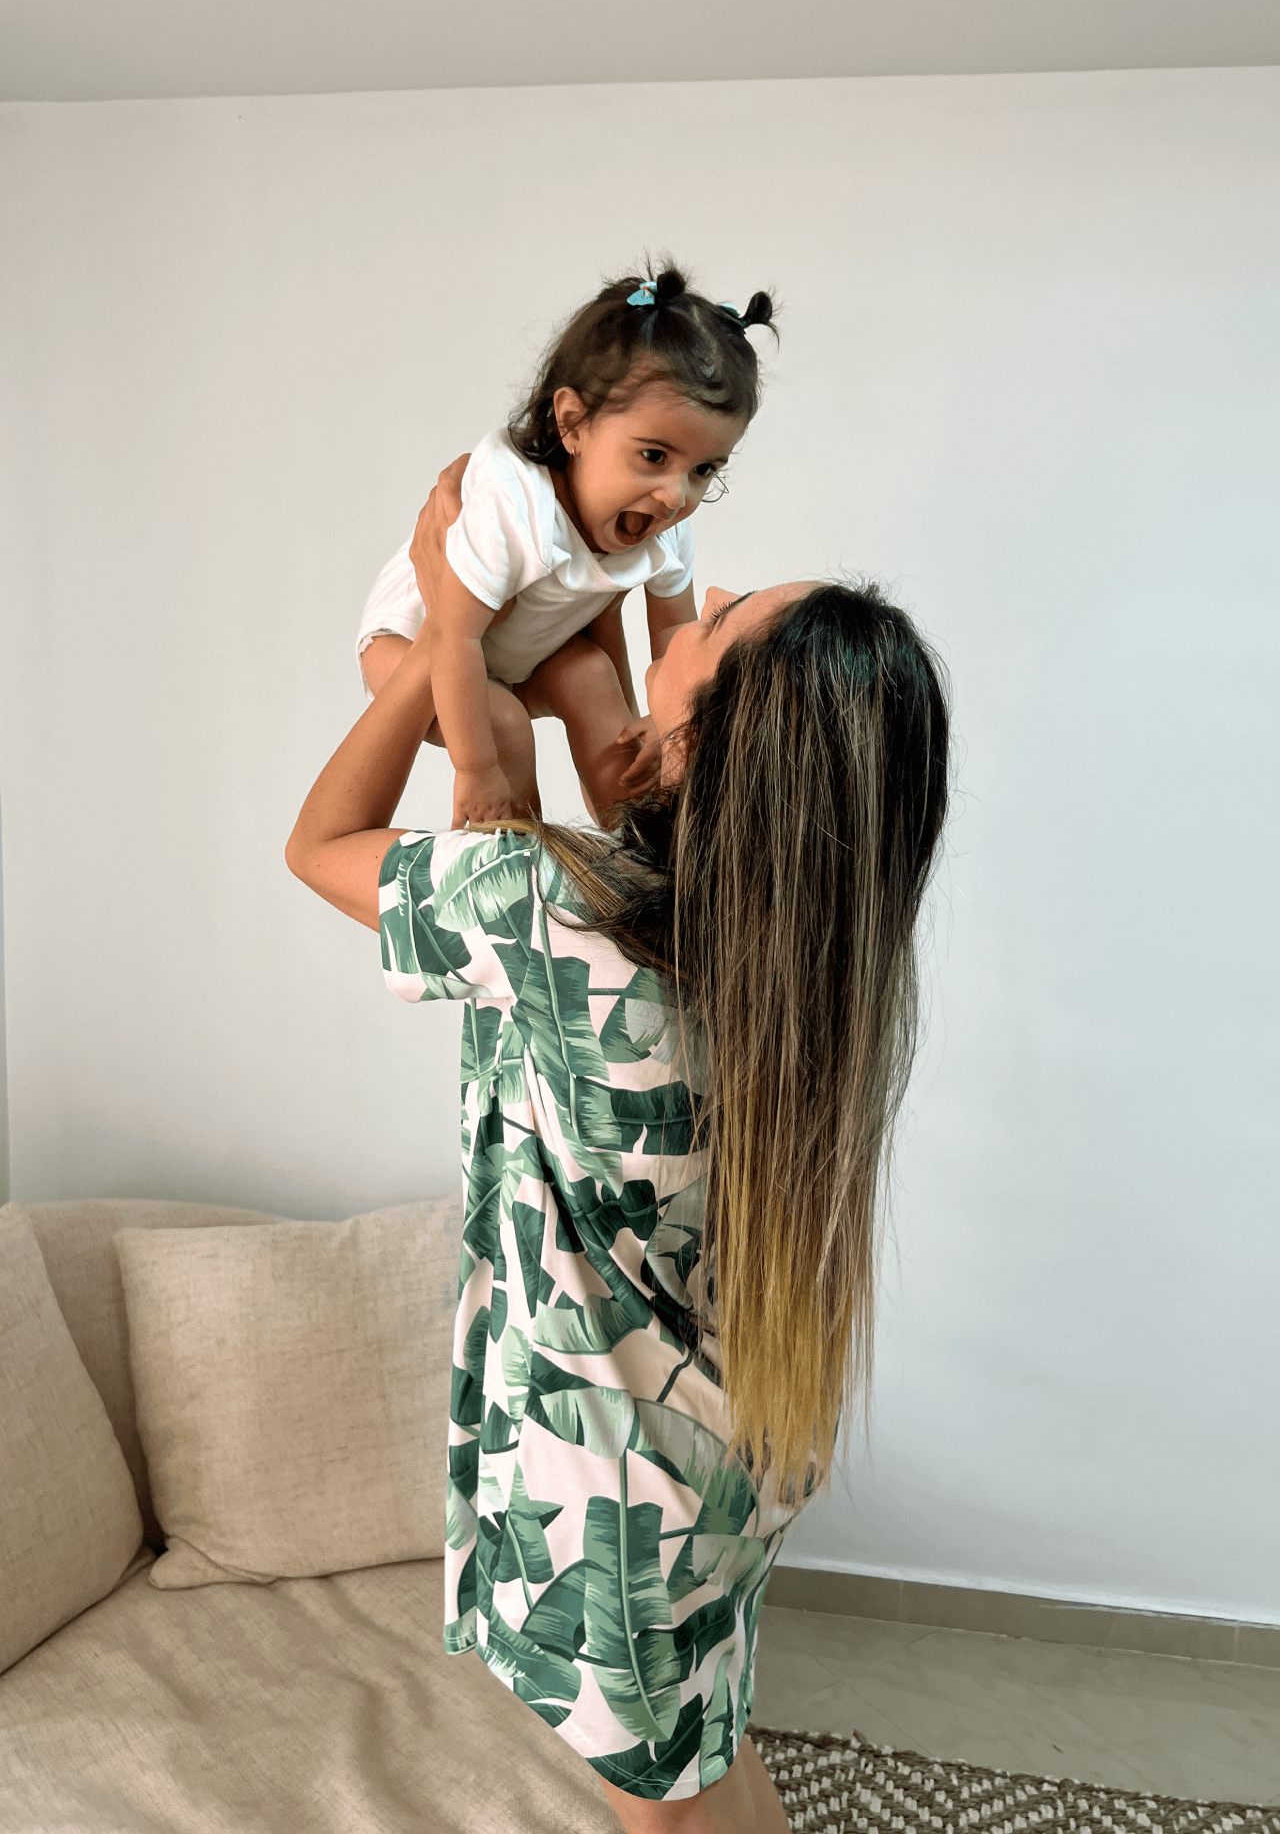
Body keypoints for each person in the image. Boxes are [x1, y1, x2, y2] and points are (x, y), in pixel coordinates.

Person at [287, 461, 951, 1832]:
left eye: (715, 622)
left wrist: (453, 623)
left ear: (712, 739)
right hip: (735, 1450)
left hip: (605, 1496)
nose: (688, 604)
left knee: (653, 1807)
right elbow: (626, 732)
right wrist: (588, 671)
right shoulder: (815, 983)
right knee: (698, 1747)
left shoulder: (549, 913)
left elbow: (322, 841)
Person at [356, 260, 777, 829]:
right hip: (414, 645)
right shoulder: (513, 510)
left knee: (592, 680)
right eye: (653, 456)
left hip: (521, 649)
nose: (676, 495)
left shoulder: (666, 529)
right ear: (573, 423)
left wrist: (668, 721)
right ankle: (517, 852)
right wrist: (474, 770)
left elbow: (674, 638)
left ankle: (639, 837)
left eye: (703, 470)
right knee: (501, 722)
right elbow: (454, 640)